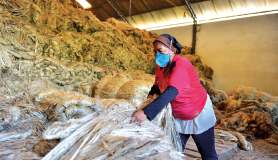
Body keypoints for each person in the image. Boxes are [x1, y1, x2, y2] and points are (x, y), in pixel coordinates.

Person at [131, 34, 218, 160]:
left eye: (160, 51)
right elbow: (157, 85)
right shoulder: (160, 66)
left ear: (172, 49)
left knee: (208, 154)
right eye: (155, 51)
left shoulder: (181, 65)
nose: (157, 54)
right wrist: (148, 100)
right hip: (178, 114)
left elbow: (171, 91)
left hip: (197, 112)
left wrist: (146, 112)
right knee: (174, 152)